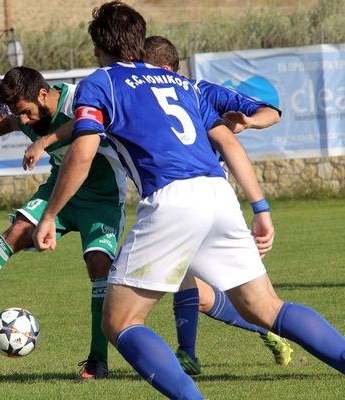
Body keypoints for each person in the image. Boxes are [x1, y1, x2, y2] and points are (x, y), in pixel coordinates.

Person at [33, 2, 345, 399]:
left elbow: (82, 152)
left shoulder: (101, 82)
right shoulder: (185, 85)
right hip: (219, 194)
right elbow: (228, 142)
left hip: (173, 198)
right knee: (266, 307)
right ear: (139, 39)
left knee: (121, 321)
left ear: (98, 45)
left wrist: (51, 214)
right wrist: (260, 206)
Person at [0, 66, 126, 380]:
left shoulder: (77, 98)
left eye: (27, 112)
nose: (24, 121)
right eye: (19, 114)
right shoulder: (25, 114)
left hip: (102, 197)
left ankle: (97, 361)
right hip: (61, 190)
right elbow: (4, 123)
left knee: (99, 264)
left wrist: (43, 142)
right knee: (17, 231)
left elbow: (86, 122)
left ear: (43, 94)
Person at [144, 35, 292, 375]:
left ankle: (188, 354)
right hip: (179, 203)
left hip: (209, 204)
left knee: (188, 280)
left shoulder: (202, 91)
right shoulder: (142, 100)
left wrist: (249, 121)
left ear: (166, 69)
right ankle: (262, 332)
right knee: (202, 294)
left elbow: (271, 112)